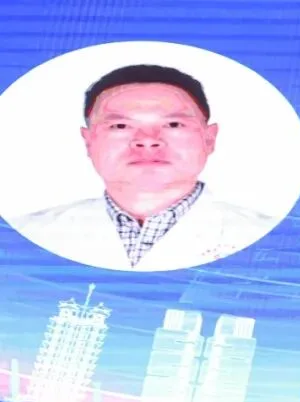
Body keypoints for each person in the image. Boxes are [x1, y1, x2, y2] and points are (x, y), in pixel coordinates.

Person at [15, 64, 274, 272]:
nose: (148, 140)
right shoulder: (25, 233)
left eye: (173, 125)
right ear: (88, 141)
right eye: (120, 126)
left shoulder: (269, 240)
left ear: (209, 139)